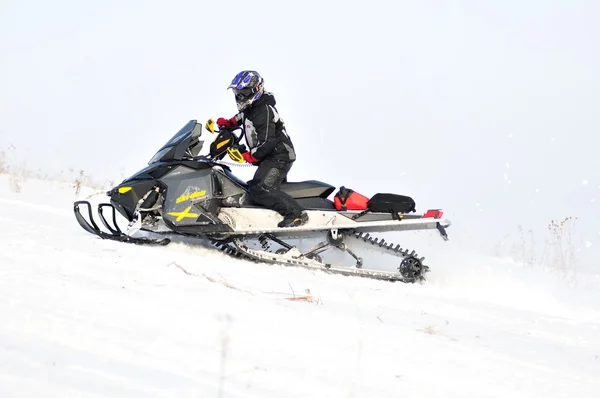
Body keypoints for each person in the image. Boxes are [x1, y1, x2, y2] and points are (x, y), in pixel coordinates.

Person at [216, 70, 309, 228]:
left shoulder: (263, 110)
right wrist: (227, 124)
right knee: (256, 189)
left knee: (260, 188)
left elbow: (267, 142)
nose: (239, 96)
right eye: (237, 92)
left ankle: (296, 214)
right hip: (270, 157)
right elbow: (241, 118)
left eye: (243, 92)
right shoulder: (251, 108)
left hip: (280, 156)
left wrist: (250, 156)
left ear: (256, 89)